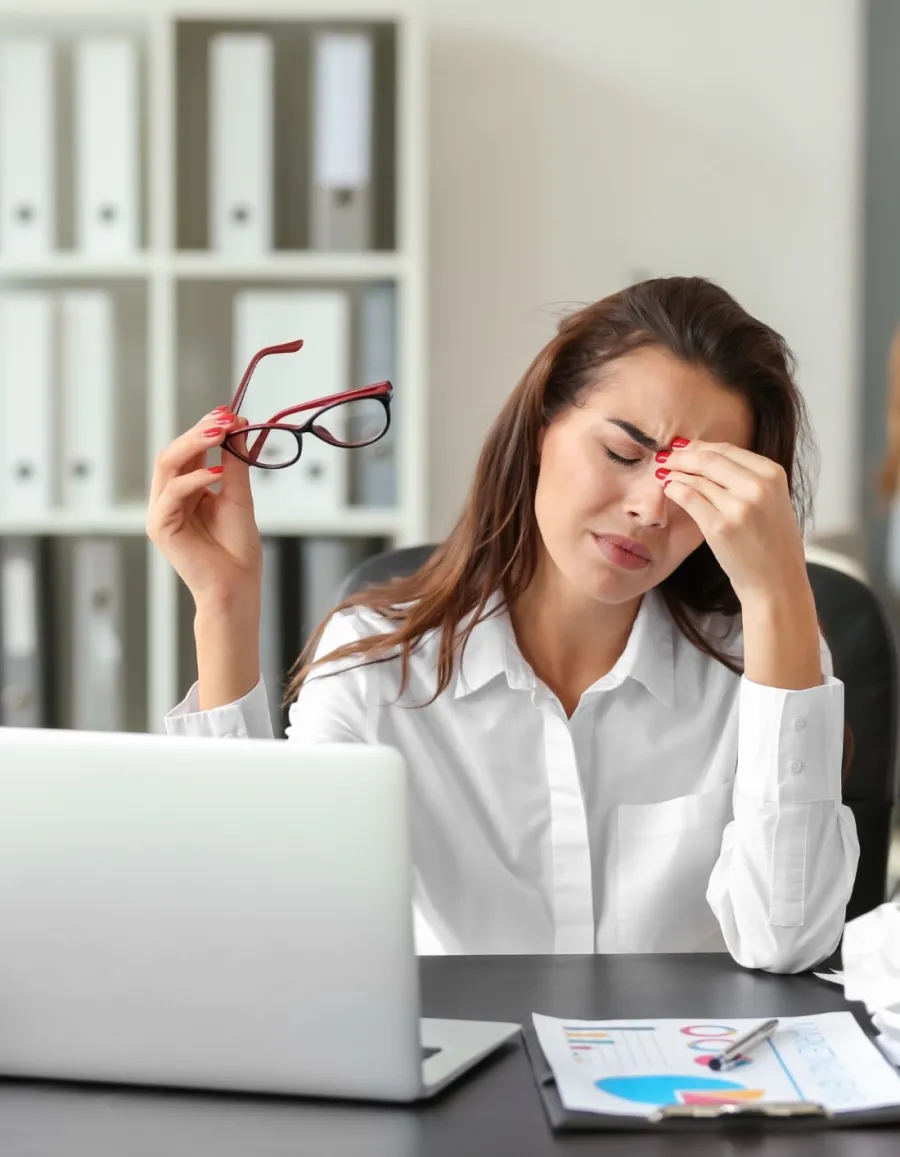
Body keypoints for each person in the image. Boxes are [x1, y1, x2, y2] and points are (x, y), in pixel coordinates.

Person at [148, 276, 858, 972]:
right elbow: (258, 929)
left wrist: (778, 596)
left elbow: (786, 940)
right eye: (622, 453)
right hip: (462, 1075)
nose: (651, 508)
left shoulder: (761, 661)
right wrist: (224, 608)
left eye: (698, 484)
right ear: (544, 425)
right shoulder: (377, 672)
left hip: (686, 1081)